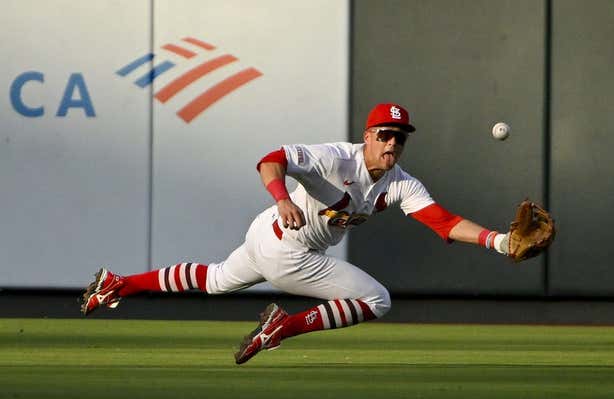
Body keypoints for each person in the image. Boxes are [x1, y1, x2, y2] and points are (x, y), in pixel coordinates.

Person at [80, 103, 510, 364]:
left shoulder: (401, 182)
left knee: (214, 281)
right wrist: (282, 197)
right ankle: (281, 328)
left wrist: (500, 241)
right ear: (368, 136)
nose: (392, 144)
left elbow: (445, 221)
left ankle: (119, 284)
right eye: (385, 135)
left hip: (271, 239)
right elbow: (271, 159)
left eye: (400, 137)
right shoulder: (336, 158)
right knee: (377, 300)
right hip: (286, 244)